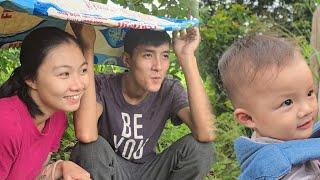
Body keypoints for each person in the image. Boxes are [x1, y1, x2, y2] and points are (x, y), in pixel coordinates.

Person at [70, 24, 216, 179]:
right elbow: (86, 134)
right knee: (90, 149)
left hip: (150, 171)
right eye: (148, 55)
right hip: (111, 170)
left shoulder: (169, 90)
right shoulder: (103, 85)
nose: (158, 66)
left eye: (165, 55)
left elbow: (206, 133)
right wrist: (88, 48)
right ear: (127, 60)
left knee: (201, 149)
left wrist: (187, 57)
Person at [218, 34, 320, 179]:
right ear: (248, 118)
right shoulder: (283, 170)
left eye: (310, 93)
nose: (307, 109)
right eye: (287, 102)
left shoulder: (283, 136)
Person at [0, 26, 92, 179]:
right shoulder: (6, 124)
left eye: (83, 70)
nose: (78, 85)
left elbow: (29, 173)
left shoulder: (57, 118)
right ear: (30, 79)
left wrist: (61, 166)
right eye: (64, 74)